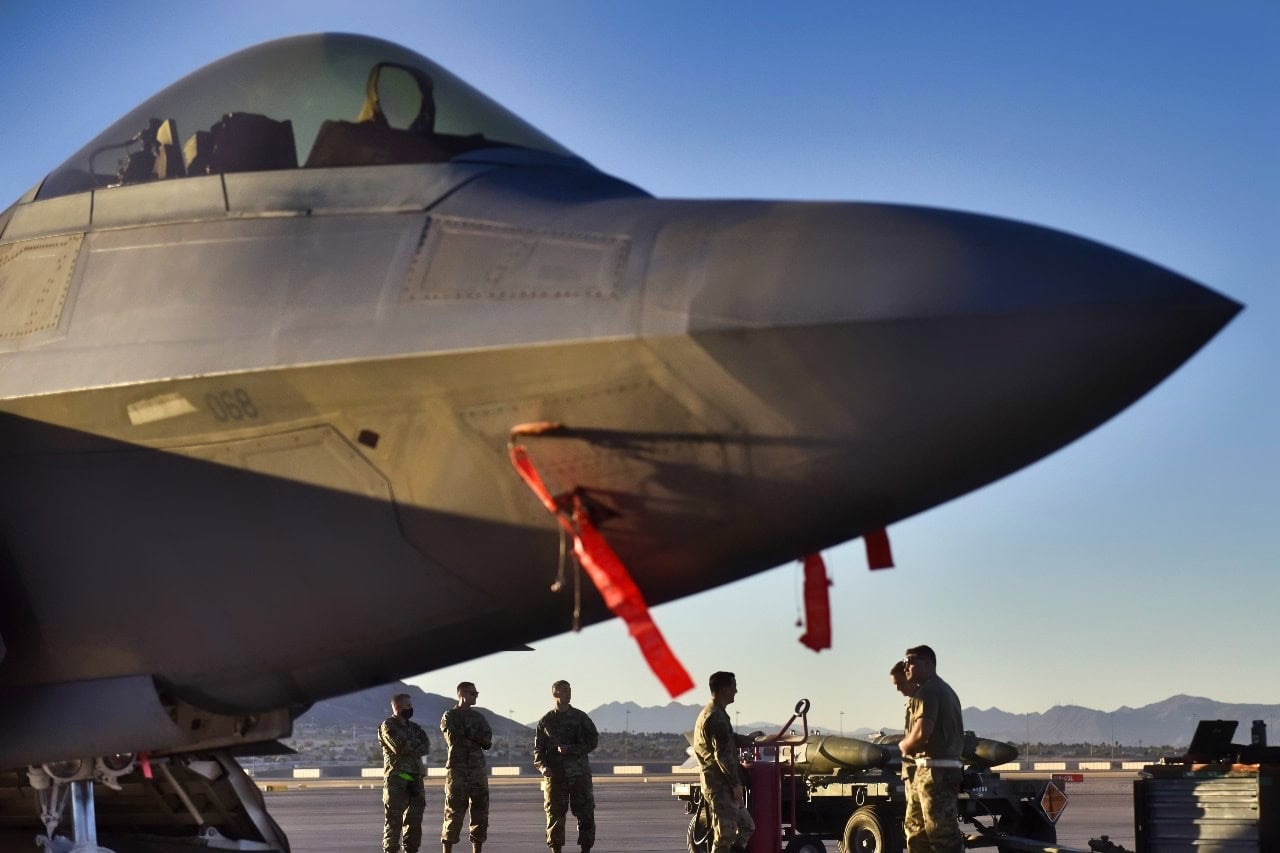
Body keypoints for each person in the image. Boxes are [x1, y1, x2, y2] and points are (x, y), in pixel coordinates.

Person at [898, 646, 965, 853]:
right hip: (929, 771)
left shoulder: (929, 690)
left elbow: (922, 732)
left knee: (941, 833)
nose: (906, 666)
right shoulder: (941, 689)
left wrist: (903, 745)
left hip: (936, 773)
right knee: (916, 831)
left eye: (910, 661)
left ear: (927, 663)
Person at [693, 671, 756, 853]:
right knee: (724, 836)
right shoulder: (715, 718)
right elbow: (723, 757)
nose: (736, 690)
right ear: (723, 689)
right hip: (720, 785)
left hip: (722, 784)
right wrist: (736, 784)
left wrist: (744, 739)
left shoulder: (715, 714)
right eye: (733, 686)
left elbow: (725, 740)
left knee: (747, 826)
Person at [533, 680, 599, 853]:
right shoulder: (546, 721)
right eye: (564, 691)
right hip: (556, 778)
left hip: (579, 776)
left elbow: (593, 741)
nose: (568, 693)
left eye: (569, 690)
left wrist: (572, 749)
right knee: (555, 816)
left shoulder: (580, 718)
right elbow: (538, 750)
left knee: (585, 815)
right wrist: (542, 767)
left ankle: (586, 849)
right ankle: (556, 850)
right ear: (555, 694)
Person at [440, 681, 492, 853]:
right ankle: (447, 849)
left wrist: (468, 734)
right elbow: (454, 738)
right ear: (462, 694)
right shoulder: (450, 716)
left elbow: (487, 741)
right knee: (454, 812)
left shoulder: (479, 718)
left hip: (477, 770)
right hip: (458, 770)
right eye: (472, 693)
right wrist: (475, 736)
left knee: (480, 812)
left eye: (476, 693)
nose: (475, 696)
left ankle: (477, 849)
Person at [380, 692, 432, 853]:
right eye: (408, 705)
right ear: (397, 706)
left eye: (411, 705)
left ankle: (411, 849)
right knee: (394, 820)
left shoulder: (415, 728)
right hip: (398, 778)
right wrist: (412, 746)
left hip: (415, 778)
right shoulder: (388, 725)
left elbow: (426, 747)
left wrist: (410, 745)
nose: (411, 708)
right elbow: (399, 747)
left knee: (414, 820)